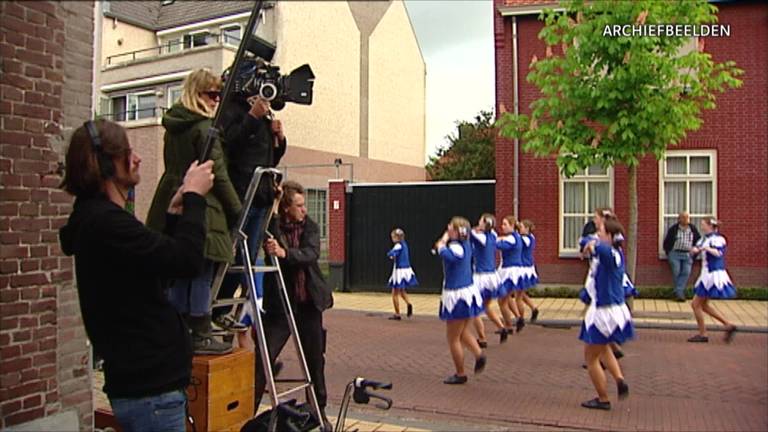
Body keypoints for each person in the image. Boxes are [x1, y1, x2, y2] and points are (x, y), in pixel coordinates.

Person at [59, 119, 215, 431]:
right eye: (128, 153)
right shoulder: (107, 224)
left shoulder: (101, 221)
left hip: (149, 393)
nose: (137, 158)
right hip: (152, 396)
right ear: (106, 164)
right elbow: (186, 262)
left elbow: (155, 270)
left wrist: (173, 219)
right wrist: (196, 198)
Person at [146, 68, 243, 355]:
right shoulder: (204, 129)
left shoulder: (174, 126)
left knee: (179, 271)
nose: (216, 101)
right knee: (202, 270)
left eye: (218, 94)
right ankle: (200, 333)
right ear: (197, 94)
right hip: (203, 204)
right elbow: (218, 174)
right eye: (212, 94)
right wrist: (237, 210)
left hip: (170, 199)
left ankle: (176, 329)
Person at [256, 181, 334, 427]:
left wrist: (285, 253)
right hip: (280, 306)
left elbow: (311, 253)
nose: (304, 210)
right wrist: (275, 202)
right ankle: (247, 409)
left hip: (307, 304)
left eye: (304, 204)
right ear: (287, 208)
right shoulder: (274, 226)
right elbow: (265, 226)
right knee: (262, 359)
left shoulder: (309, 226)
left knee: (315, 362)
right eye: (299, 205)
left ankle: (319, 414)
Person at [214, 91, 288, 329]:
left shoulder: (264, 115)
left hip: (261, 194)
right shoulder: (232, 110)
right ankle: (214, 308)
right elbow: (230, 146)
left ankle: (224, 310)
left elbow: (269, 159)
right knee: (232, 254)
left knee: (248, 256)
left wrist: (280, 140)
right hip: (242, 194)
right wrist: (252, 117)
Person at [579, 219, 633, 411]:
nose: (598, 233)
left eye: (601, 231)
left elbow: (595, 245)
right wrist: (589, 245)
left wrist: (592, 243)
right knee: (603, 348)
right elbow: (587, 243)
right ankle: (619, 379)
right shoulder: (616, 253)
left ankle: (603, 398)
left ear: (610, 236)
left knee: (591, 357)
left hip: (603, 311)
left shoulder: (608, 252)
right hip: (615, 308)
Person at [435, 217, 486, 385]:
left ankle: (460, 373)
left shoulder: (455, 247)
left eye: (450, 227)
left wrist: (443, 241)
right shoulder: (467, 244)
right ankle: (478, 354)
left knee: (452, 338)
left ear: (456, 231)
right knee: (462, 332)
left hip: (457, 295)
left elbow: (446, 253)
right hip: (468, 291)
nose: (447, 228)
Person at [687, 217, 737, 343]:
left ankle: (703, 334)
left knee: (696, 304)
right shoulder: (704, 239)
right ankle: (728, 325)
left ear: (710, 226)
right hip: (706, 273)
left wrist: (706, 249)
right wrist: (693, 251)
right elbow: (697, 249)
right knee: (703, 305)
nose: (702, 227)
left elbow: (719, 253)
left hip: (713, 274)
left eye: (703, 224)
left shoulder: (718, 239)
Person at [470, 214, 509, 346]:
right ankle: (501, 327)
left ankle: (482, 338)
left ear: (484, 224)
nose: (478, 222)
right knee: (486, 306)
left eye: (480, 221)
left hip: (481, 276)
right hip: (492, 275)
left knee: (474, 309)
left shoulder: (480, 237)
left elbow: (469, 233)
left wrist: (474, 229)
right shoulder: (492, 235)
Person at [663, 211, 701, 302]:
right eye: (683, 218)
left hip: (688, 254)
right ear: (679, 219)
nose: (685, 220)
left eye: (687, 218)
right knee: (676, 271)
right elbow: (667, 241)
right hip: (675, 254)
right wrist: (668, 252)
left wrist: (695, 252)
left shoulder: (692, 229)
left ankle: (678, 292)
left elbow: (698, 241)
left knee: (686, 272)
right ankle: (680, 293)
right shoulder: (674, 229)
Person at [496, 215, 524, 333]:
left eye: (505, 224)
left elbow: (499, 245)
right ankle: (518, 318)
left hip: (509, 272)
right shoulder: (516, 237)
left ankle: (508, 326)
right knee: (507, 298)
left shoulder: (511, 238)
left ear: (512, 226)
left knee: (502, 301)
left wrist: (493, 240)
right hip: (513, 270)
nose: (502, 226)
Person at [386, 228, 417, 320]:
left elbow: (392, 253)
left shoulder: (398, 245)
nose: (392, 239)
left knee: (394, 292)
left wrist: (390, 254)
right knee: (402, 290)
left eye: (393, 237)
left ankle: (397, 313)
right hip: (406, 268)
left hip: (399, 270)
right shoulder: (405, 245)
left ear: (396, 237)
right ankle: (408, 303)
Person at [516, 219, 541, 327]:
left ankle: (521, 318)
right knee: (521, 293)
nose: (519, 229)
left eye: (521, 227)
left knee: (518, 297)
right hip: (528, 268)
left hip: (524, 269)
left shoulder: (525, 239)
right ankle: (534, 308)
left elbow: (517, 241)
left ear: (527, 229)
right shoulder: (531, 237)